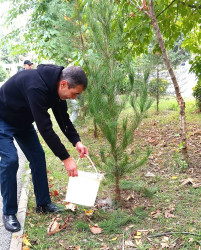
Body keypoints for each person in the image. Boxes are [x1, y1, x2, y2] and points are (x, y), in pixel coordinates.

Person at [0, 64, 89, 232]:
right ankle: (9, 212)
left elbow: (64, 120)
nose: (74, 98)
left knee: (38, 157)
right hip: (2, 118)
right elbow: (45, 128)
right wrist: (66, 158)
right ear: (63, 84)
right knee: (11, 160)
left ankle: (43, 203)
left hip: (22, 122)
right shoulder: (35, 86)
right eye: (74, 93)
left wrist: (77, 141)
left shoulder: (56, 89)